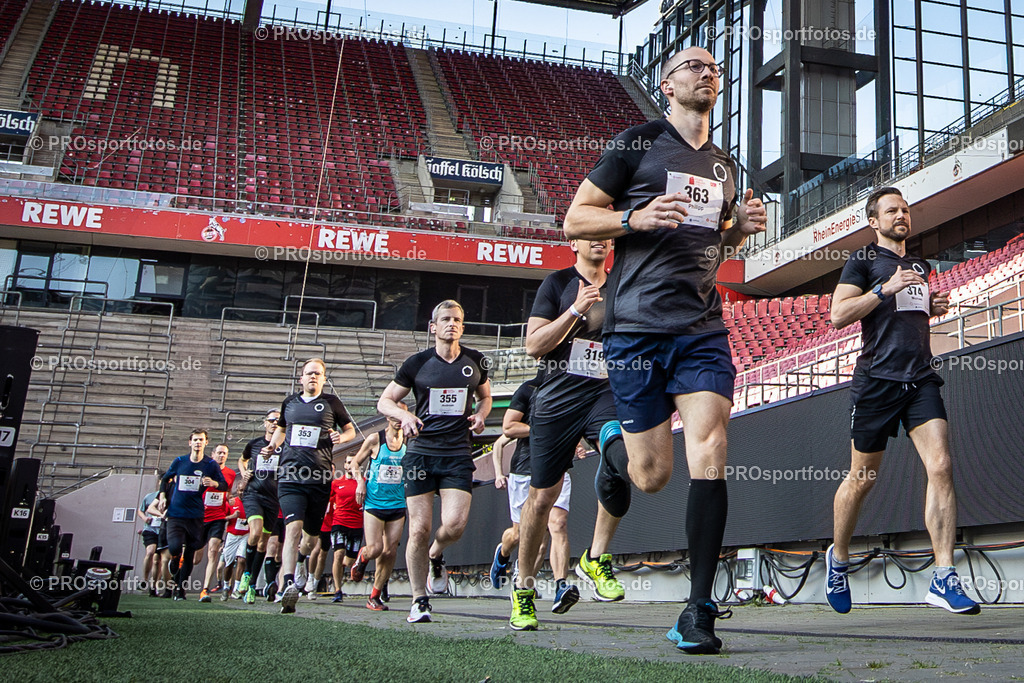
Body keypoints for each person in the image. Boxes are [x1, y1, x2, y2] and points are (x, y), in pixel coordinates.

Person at [562, 46, 767, 654]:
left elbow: (712, 239)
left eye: (715, 66)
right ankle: (612, 448)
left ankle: (698, 607)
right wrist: (635, 219)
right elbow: (575, 220)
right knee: (652, 476)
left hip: (701, 328)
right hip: (634, 329)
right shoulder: (636, 142)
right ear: (668, 83)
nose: (709, 72)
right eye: (695, 66)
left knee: (712, 443)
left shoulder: (726, 167)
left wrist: (738, 229)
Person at [825, 186, 979, 616]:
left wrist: (931, 307)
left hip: (920, 379)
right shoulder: (863, 261)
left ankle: (944, 576)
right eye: (892, 210)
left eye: (906, 209)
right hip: (876, 382)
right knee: (862, 479)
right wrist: (885, 288)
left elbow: (906, 316)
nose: (901, 215)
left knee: (942, 466)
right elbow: (838, 315)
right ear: (874, 221)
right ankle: (837, 561)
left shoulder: (919, 265)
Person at [509, 238, 627, 632]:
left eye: (604, 232)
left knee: (622, 457)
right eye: (588, 231)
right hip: (557, 400)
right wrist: (576, 310)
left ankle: (596, 557)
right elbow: (533, 345)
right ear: (574, 239)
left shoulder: (623, 281)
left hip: (604, 394)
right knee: (542, 499)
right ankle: (523, 589)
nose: (598, 239)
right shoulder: (557, 283)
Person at [378, 300, 492, 624]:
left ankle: (435, 554)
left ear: (463, 326)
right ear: (433, 327)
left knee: (454, 525)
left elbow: (485, 396)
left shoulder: (476, 361)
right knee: (419, 528)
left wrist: (482, 416)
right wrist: (405, 414)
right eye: (445, 319)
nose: (451, 324)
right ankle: (419, 600)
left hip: (457, 452)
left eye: (457, 319)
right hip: (421, 452)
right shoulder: (416, 364)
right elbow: (384, 400)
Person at [263, 358, 356, 613]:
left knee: (311, 540)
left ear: (324, 379)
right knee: (292, 528)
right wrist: (273, 445)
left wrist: (341, 436)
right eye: (309, 373)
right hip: (290, 476)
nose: (313, 377)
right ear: (301, 378)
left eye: (318, 373)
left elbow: (350, 431)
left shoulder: (331, 403)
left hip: (319, 478)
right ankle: (288, 583)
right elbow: (281, 430)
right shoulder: (289, 403)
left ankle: (302, 560)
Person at [490, 377, 576, 615]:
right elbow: (507, 430)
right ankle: (504, 553)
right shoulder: (529, 389)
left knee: (557, 525)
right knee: (521, 535)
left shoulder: (574, 388)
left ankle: (560, 587)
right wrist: (499, 474)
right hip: (525, 470)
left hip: (558, 468)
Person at [348, 407, 409, 612]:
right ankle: (363, 557)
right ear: (387, 417)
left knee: (390, 551)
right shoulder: (375, 439)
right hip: (374, 502)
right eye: (395, 416)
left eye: (402, 416)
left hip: (398, 503)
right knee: (375, 549)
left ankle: (374, 596)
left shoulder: (408, 440)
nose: (399, 421)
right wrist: (360, 482)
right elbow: (355, 463)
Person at [156, 429, 228, 600]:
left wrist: (214, 483)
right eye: (195, 440)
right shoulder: (179, 461)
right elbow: (166, 479)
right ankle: (175, 559)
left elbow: (224, 485)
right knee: (174, 547)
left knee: (190, 552)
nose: (198, 443)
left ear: (206, 443)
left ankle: (181, 589)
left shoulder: (210, 465)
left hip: (195, 515)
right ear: (190, 443)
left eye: (201, 440)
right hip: (175, 514)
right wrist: (162, 496)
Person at [237, 410, 282, 605]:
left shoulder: (285, 446)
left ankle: (253, 585)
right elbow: (242, 459)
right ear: (265, 423)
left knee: (263, 544)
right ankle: (246, 573)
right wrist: (245, 472)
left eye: (278, 421)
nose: (274, 423)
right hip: (253, 494)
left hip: (273, 499)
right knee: (254, 533)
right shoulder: (254, 444)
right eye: (271, 420)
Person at [199, 443, 236, 602]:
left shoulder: (231, 474)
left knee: (213, 551)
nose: (222, 456)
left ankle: (205, 589)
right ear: (213, 454)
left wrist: (230, 502)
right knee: (195, 557)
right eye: (219, 453)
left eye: (225, 453)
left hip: (218, 517)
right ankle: (178, 568)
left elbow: (226, 493)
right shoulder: (204, 469)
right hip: (200, 516)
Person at [328, 456, 364, 603]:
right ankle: (338, 590)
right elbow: (327, 502)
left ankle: (339, 572)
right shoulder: (336, 483)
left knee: (348, 562)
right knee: (338, 554)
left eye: (354, 462)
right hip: (339, 522)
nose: (350, 465)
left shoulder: (364, 482)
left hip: (356, 524)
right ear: (344, 465)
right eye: (348, 462)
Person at [220, 494, 248, 600]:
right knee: (229, 563)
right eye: (240, 490)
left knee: (242, 560)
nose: (242, 493)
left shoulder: (251, 501)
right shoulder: (232, 502)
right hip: (232, 535)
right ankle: (226, 586)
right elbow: (222, 518)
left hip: (245, 535)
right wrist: (232, 516)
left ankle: (236, 589)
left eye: (244, 491)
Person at [138, 487, 162, 597]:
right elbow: (140, 510)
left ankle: (154, 586)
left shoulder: (172, 496)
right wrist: (144, 518)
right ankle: (144, 579)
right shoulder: (150, 496)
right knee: (150, 552)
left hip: (163, 530)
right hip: (150, 529)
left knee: (158, 560)